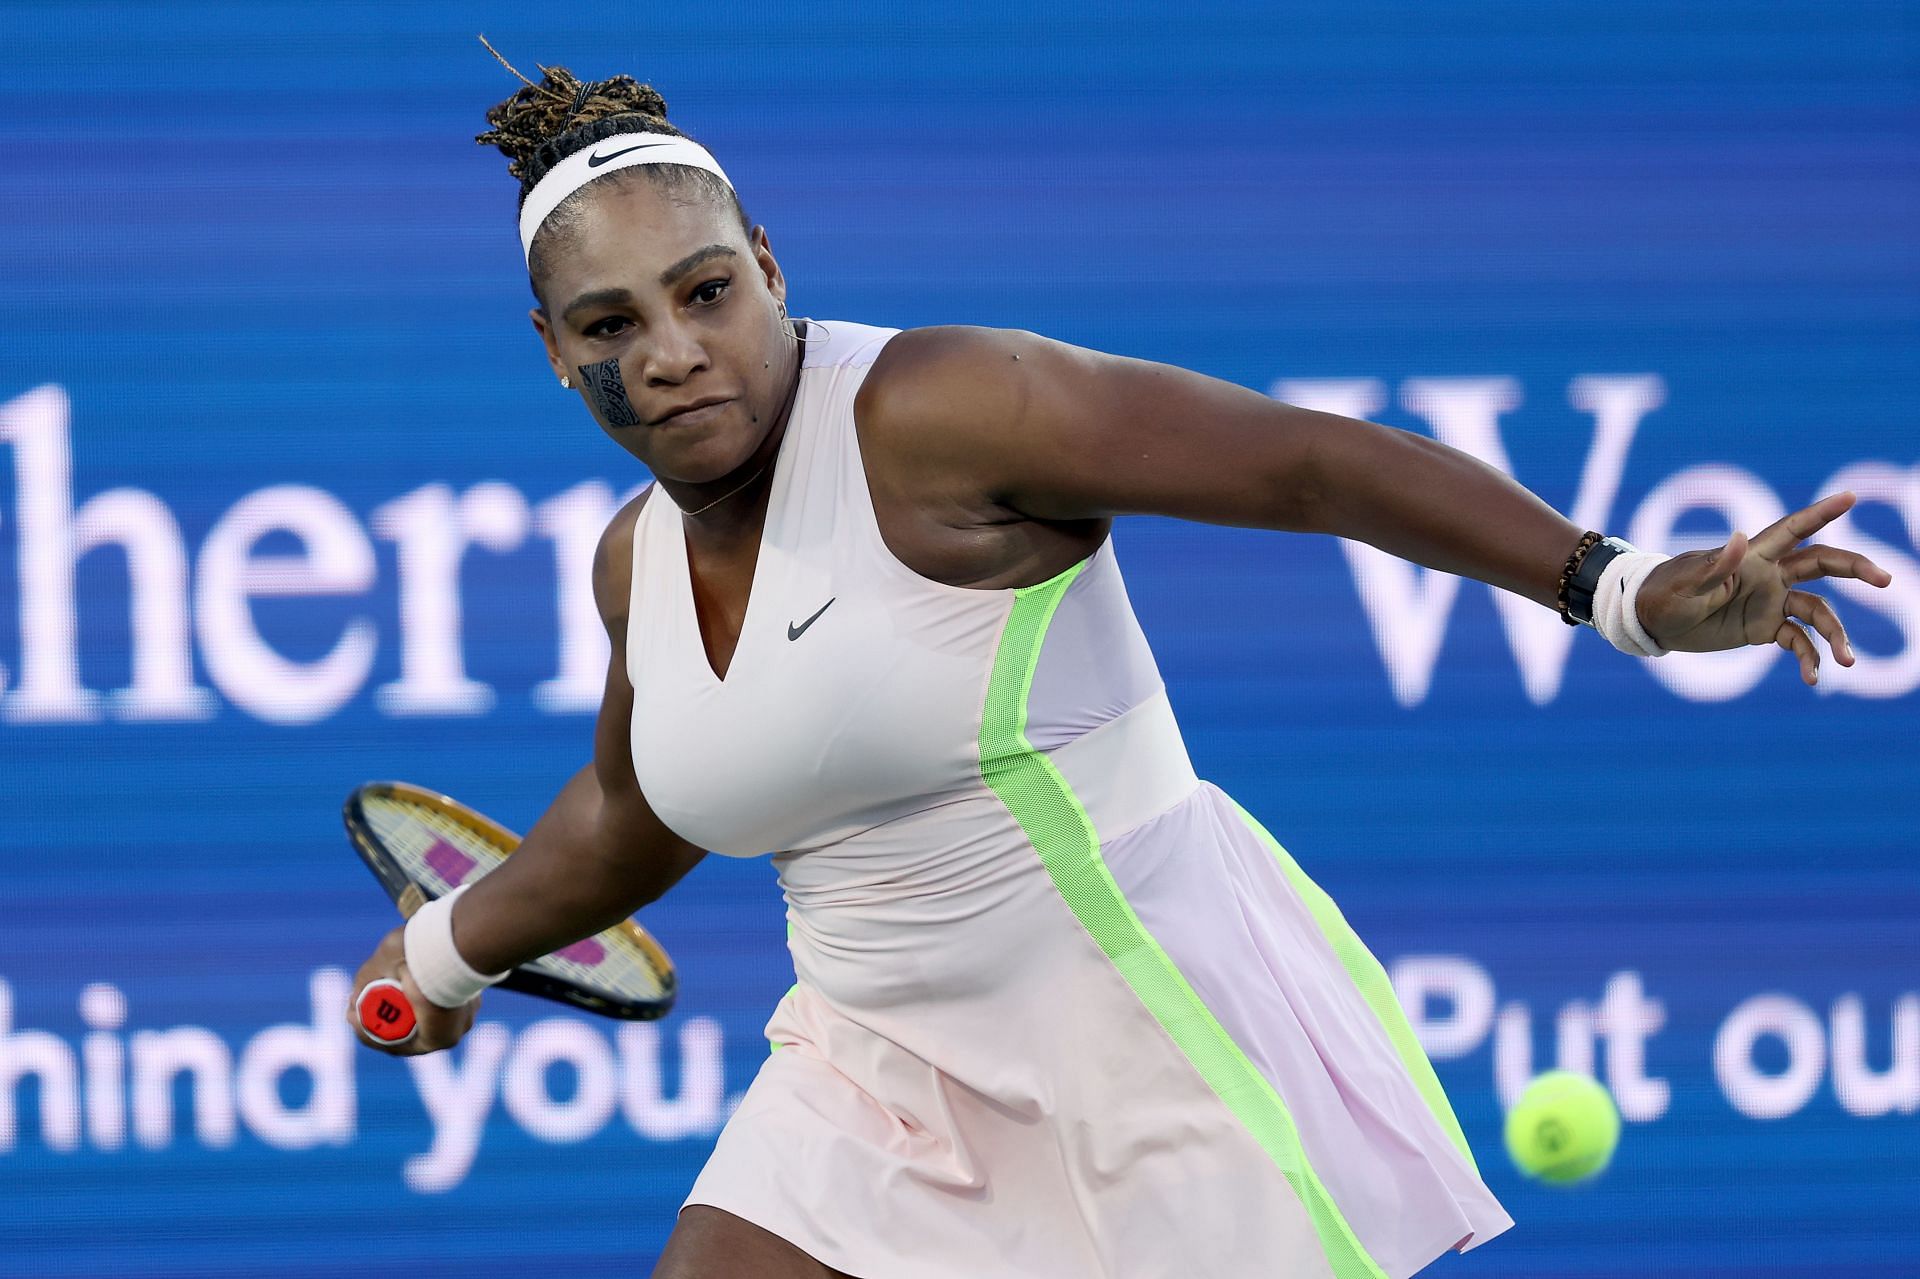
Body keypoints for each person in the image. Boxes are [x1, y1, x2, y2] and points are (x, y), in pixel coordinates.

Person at [348, 50, 1892, 1279]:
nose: (675, 349)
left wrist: (1613, 587)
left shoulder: (938, 407)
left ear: (765, 259)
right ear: (554, 348)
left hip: (1143, 1046)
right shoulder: (635, 562)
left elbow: (1307, 465)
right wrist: (439, 956)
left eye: (706, 290)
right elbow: (632, 814)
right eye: (613, 322)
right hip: (868, 1077)